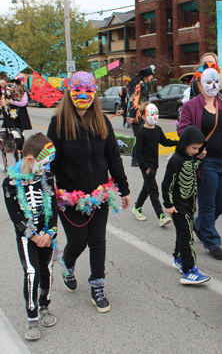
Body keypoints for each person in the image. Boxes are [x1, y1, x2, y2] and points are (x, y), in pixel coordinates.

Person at [47, 71, 130, 313]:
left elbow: (113, 156)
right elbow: (52, 161)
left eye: (87, 91)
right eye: (77, 91)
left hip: (99, 194)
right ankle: (67, 262)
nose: (82, 96)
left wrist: (123, 188)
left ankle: (98, 285)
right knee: (78, 242)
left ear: (94, 93)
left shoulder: (101, 121)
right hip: (69, 197)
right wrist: (49, 190)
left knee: (98, 241)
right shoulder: (59, 122)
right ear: (69, 92)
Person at [3, 133, 58, 340]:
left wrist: (50, 232)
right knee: (31, 273)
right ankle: (32, 315)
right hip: (28, 238)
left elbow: (53, 206)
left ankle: (45, 305)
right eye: (43, 164)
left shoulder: (48, 177)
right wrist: (34, 236)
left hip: (47, 235)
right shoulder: (9, 183)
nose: (46, 168)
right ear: (29, 160)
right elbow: (15, 216)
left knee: (48, 271)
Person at [178, 63, 222, 260]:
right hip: (205, 161)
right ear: (200, 84)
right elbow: (183, 129)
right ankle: (212, 242)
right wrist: (196, 148)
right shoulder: (191, 106)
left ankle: (199, 224)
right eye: (209, 81)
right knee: (208, 203)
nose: (213, 85)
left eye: (216, 81)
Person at [161, 125, 210, 285]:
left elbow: (190, 170)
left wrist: (199, 160)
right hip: (178, 207)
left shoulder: (190, 158)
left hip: (189, 205)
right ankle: (189, 270)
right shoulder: (175, 160)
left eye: (199, 148)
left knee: (184, 233)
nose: (196, 151)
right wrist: (168, 204)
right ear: (185, 144)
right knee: (187, 237)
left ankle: (178, 257)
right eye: (194, 148)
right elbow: (166, 184)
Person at [131, 102, 177, 227]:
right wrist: (145, 167)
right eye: (151, 114)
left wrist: (178, 142)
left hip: (154, 164)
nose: (154, 116)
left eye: (156, 113)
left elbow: (165, 141)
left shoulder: (157, 129)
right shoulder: (141, 133)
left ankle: (137, 207)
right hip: (147, 166)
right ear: (143, 116)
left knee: (147, 187)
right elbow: (137, 152)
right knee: (153, 190)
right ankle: (161, 216)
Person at [124, 66, 155, 167]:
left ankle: (138, 158)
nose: (152, 77)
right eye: (151, 75)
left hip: (140, 115)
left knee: (140, 137)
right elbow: (134, 99)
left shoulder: (142, 83)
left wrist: (123, 109)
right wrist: (132, 115)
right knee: (139, 137)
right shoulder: (140, 84)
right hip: (136, 116)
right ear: (147, 76)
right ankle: (135, 159)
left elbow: (128, 98)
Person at [2, 76, 32, 161]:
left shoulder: (24, 93)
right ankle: (12, 146)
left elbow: (23, 103)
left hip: (20, 114)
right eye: (13, 83)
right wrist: (6, 101)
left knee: (20, 133)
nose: (14, 85)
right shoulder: (9, 92)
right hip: (11, 113)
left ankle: (21, 149)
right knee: (12, 132)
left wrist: (12, 102)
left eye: (16, 83)